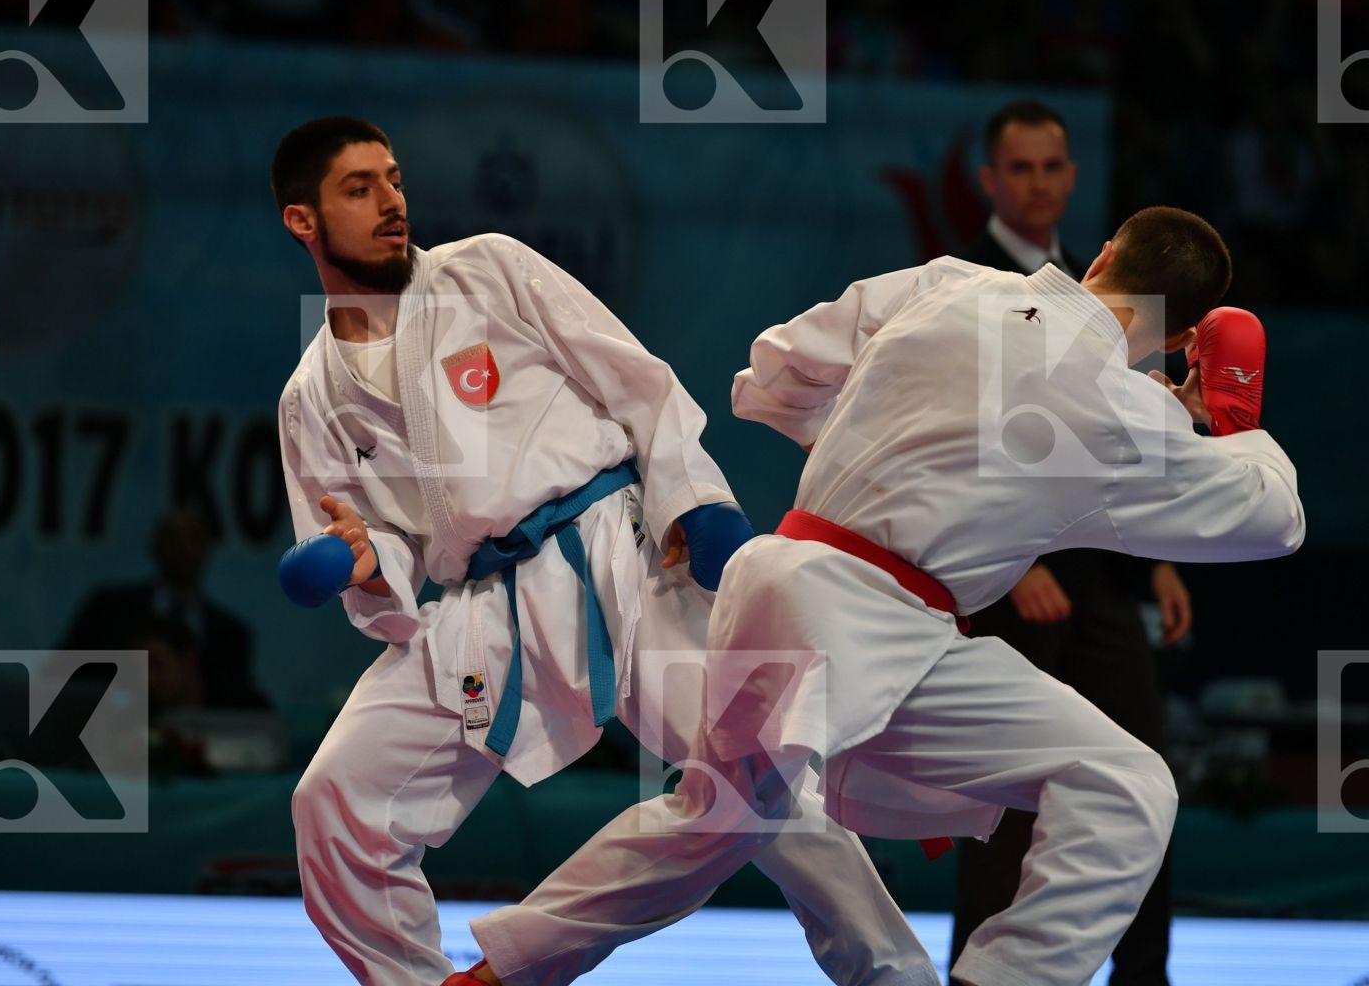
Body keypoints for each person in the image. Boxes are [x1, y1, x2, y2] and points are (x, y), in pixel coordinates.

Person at [460, 206, 1305, 986]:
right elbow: (1274, 520)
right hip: (867, 620)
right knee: (1117, 783)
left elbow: (773, 368)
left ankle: (499, 975)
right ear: (1184, 335)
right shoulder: (1121, 410)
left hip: (813, 587)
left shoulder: (951, 283)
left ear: (1107, 251)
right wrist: (1231, 422)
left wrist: (898, 439)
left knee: (721, 818)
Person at [270, 117, 934, 986]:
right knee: (332, 801)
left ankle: (898, 979)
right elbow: (379, 548)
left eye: (393, 180)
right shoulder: (310, 398)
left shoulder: (488, 270)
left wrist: (696, 503)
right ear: (303, 222)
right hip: (482, 610)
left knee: (758, 779)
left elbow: (637, 379)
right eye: (360, 189)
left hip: (619, 557)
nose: (392, 203)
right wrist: (366, 566)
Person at [953, 99, 1191, 984]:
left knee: (1144, 782)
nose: (1039, 184)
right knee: (1009, 802)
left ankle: (1143, 976)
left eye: (1053, 167)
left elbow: (1128, 434)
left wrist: (1161, 554)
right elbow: (956, 434)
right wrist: (1019, 565)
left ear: (1074, 176)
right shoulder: (963, 279)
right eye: (1021, 168)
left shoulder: (1106, 288)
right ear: (989, 180)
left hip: (1100, 579)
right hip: (1003, 580)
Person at [63, 508, 269, 710]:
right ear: (155, 545)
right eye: (172, 537)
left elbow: (243, 707)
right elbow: (64, 678)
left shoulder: (231, 635)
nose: (182, 548)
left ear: (207, 548)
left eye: (192, 537)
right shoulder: (107, 611)